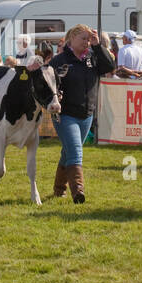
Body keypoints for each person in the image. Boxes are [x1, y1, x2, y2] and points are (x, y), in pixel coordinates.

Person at [49, 24, 115, 203]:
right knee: (76, 151)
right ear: (72, 39)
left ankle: (58, 189)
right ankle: (78, 192)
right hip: (65, 114)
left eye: (88, 39)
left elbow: (110, 66)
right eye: (83, 39)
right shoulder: (59, 60)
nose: (86, 42)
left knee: (68, 151)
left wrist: (97, 45)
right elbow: (47, 82)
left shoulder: (93, 58)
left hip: (86, 114)